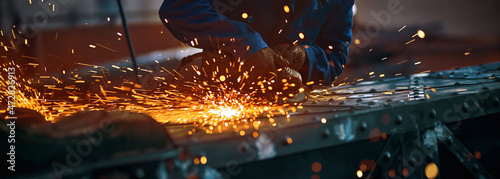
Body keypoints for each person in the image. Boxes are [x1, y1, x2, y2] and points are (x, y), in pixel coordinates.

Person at [159, 0, 354, 87]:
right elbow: (178, 9)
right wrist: (244, 43)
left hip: (297, 110)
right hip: (222, 99)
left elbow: (335, 56)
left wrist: (306, 57)